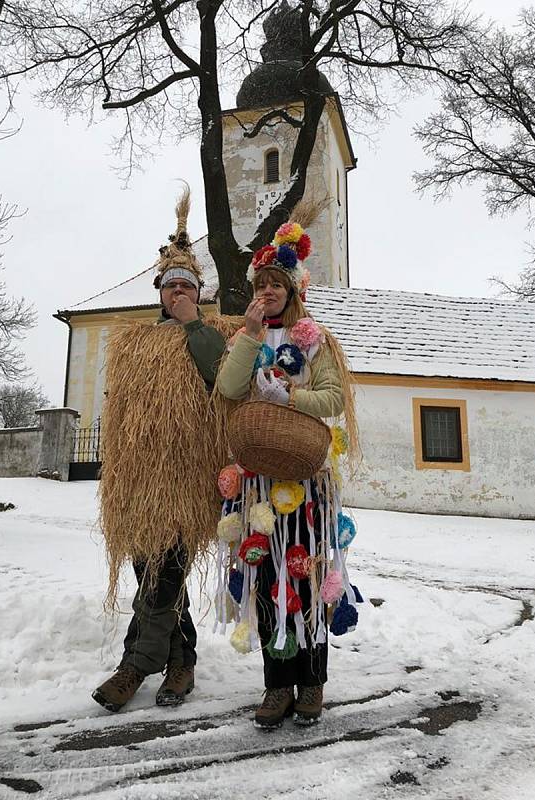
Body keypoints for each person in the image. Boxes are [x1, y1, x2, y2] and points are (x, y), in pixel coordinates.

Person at [214, 202, 361, 729]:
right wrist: (250, 335)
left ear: (294, 290)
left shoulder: (315, 340)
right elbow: (229, 389)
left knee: (304, 574)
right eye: (260, 286)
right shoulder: (245, 338)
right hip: (258, 480)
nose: (267, 292)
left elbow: (333, 399)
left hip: (305, 478)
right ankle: (276, 686)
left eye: (276, 285)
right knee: (267, 575)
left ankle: (312, 681)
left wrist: (290, 397)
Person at [92, 185, 234, 712]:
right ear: (158, 291)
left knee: (163, 578)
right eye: (170, 286)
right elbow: (120, 414)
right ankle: (182, 662)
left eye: (186, 286)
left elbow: (223, 383)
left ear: (197, 291)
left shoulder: (214, 332)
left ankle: (135, 666)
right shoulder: (133, 342)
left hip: (185, 483)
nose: (177, 292)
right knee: (154, 577)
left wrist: (194, 322)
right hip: (137, 486)